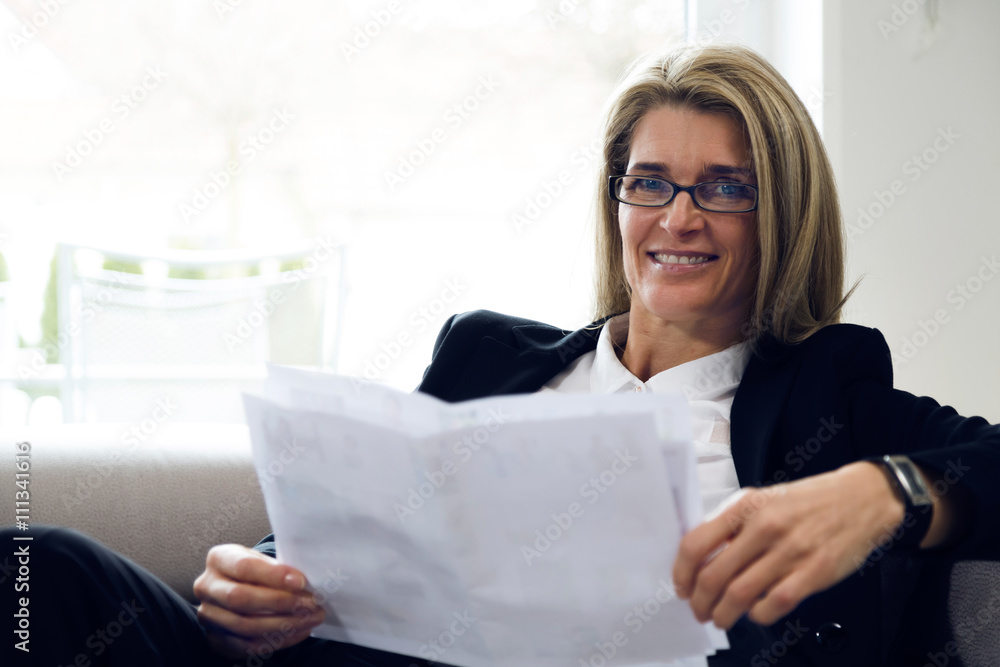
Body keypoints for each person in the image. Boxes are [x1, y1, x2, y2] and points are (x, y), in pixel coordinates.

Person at [4, 43, 999, 667]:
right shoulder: (486, 353)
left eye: (723, 188)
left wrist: (889, 493)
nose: (677, 217)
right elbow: (354, 539)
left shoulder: (832, 388)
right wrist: (252, 577)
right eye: (647, 183)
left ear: (780, 211)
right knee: (38, 571)